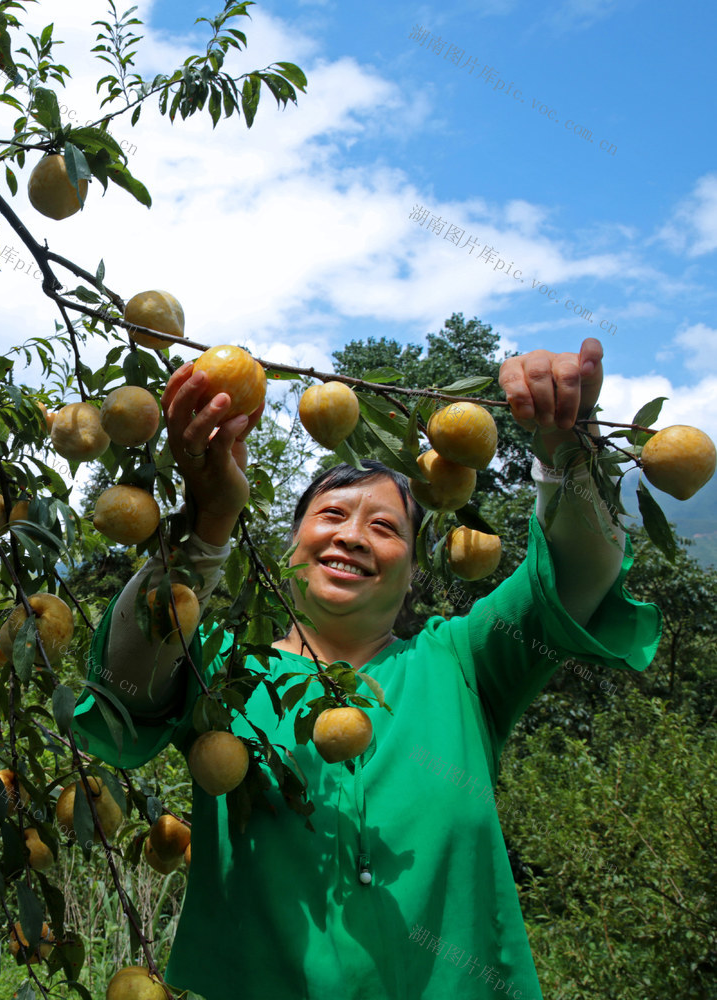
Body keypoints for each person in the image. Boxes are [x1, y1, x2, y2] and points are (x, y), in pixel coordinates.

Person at [71, 337, 661, 1000]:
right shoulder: (223, 672)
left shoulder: (461, 662)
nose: (352, 535)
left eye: (384, 527)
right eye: (330, 515)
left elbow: (577, 575)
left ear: (412, 572)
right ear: (290, 546)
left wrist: (568, 447)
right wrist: (210, 522)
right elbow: (124, 684)